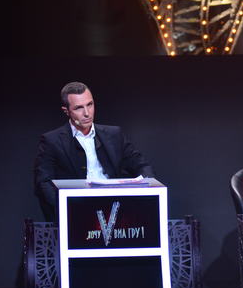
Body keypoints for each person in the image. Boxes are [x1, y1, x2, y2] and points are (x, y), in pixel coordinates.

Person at [34, 81, 155, 221]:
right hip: (77, 211)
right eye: (79, 108)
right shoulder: (52, 141)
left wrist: (148, 191)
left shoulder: (114, 134)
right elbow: (43, 183)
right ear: (66, 111)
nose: (87, 113)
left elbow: (141, 165)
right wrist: (65, 209)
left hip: (116, 207)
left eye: (90, 105)